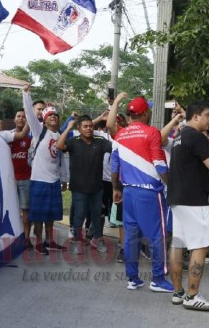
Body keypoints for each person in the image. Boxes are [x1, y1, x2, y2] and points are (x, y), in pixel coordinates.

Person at [168, 100, 209, 311]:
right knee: (200, 245)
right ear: (195, 117)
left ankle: (178, 292)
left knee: (178, 244)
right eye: (207, 115)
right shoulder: (195, 135)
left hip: (178, 198)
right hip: (193, 199)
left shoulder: (180, 135)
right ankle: (192, 295)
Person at [111, 96, 173, 292]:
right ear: (145, 113)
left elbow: (114, 165)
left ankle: (133, 278)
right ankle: (158, 279)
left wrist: (116, 188)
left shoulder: (120, 135)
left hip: (128, 192)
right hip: (148, 193)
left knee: (131, 237)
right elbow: (160, 164)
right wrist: (172, 185)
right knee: (157, 236)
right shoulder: (152, 132)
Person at [57, 115, 113, 254]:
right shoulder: (73, 141)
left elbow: (115, 147)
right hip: (79, 188)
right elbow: (59, 145)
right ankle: (77, 240)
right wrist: (68, 127)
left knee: (96, 214)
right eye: (85, 126)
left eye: (91, 126)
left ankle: (98, 239)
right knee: (79, 215)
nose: (89, 129)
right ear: (79, 128)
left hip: (97, 187)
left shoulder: (100, 141)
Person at [22, 86, 67, 255]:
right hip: (39, 180)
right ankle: (39, 242)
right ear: (44, 119)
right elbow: (29, 113)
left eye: (55, 115)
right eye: (50, 116)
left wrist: (63, 179)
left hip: (54, 181)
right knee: (39, 215)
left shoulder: (60, 135)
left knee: (50, 215)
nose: (53, 118)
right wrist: (26, 94)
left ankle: (50, 241)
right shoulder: (39, 130)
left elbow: (61, 160)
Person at [6, 109, 33, 249]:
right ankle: (11, 238)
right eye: (19, 116)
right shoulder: (6, 137)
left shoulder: (30, 139)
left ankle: (26, 238)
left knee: (26, 211)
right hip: (9, 180)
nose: (21, 119)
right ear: (14, 119)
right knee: (10, 210)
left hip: (26, 180)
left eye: (24, 117)